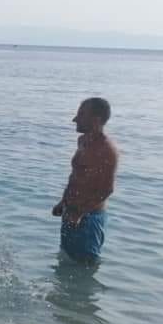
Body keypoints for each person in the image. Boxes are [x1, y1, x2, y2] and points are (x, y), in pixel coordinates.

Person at [52, 97, 118, 263]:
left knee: (84, 267)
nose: (75, 119)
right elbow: (77, 175)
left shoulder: (106, 150)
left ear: (96, 119)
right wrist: (63, 202)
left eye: (81, 114)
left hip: (88, 218)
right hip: (70, 212)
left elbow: (107, 189)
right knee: (65, 261)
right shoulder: (83, 141)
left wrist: (80, 213)